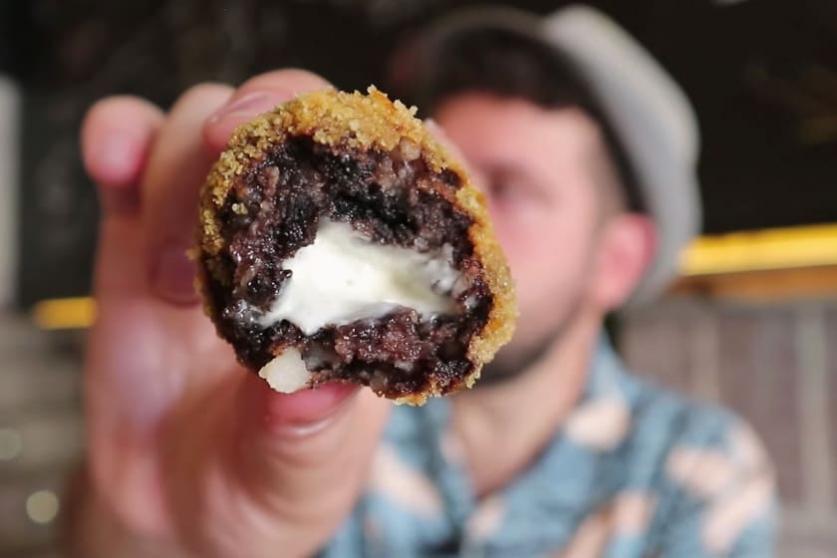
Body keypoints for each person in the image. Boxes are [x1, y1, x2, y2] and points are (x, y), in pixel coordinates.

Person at [70, 5, 776, 557]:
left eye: (509, 187)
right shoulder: (294, 432)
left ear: (616, 260)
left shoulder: (693, 473)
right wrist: (153, 533)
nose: (466, 207)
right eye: (441, 166)